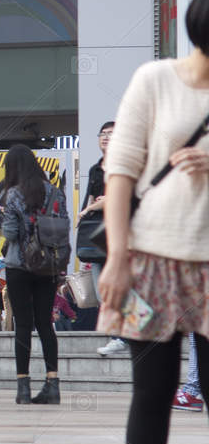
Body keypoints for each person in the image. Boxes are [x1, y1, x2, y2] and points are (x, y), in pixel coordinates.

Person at [97, 0, 209, 444]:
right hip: (149, 265)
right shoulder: (154, 80)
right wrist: (117, 259)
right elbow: (119, 172)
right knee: (152, 393)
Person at [0, 143, 66, 404]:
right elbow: (61, 232)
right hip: (47, 266)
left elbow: (11, 234)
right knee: (45, 323)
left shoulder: (14, 194)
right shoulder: (55, 193)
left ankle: (23, 387)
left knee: (23, 325)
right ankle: (52, 383)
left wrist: (8, 217)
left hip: (19, 265)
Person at [83, 122, 127, 356]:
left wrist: (102, 202)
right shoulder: (94, 169)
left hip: (121, 232)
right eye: (103, 134)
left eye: (112, 134)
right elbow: (90, 200)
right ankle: (119, 334)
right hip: (98, 233)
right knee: (102, 289)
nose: (106, 138)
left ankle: (121, 335)